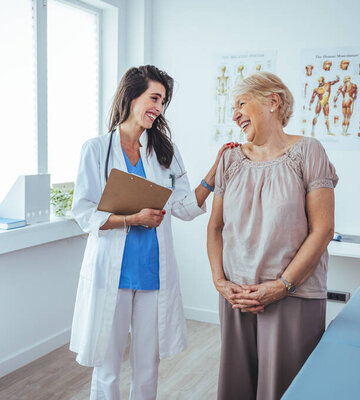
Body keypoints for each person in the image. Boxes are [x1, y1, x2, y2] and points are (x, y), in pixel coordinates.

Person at [70, 65, 236, 400]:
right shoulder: (96, 149)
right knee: (107, 366)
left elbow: (185, 207)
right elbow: (83, 212)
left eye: (163, 102)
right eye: (154, 98)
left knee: (148, 367)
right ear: (132, 96)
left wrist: (214, 172)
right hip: (112, 274)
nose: (159, 108)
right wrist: (132, 218)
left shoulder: (164, 152)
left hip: (152, 274)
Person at [207, 71, 338, 400]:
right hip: (237, 296)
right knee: (237, 388)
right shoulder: (230, 159)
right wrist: (219, 281)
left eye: (241, 103)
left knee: (284, 390)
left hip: (293, 295)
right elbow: (215, 227)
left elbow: (323, 230)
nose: (234, 114)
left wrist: (282, 286)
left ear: (272, 102)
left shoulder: (309, 152)